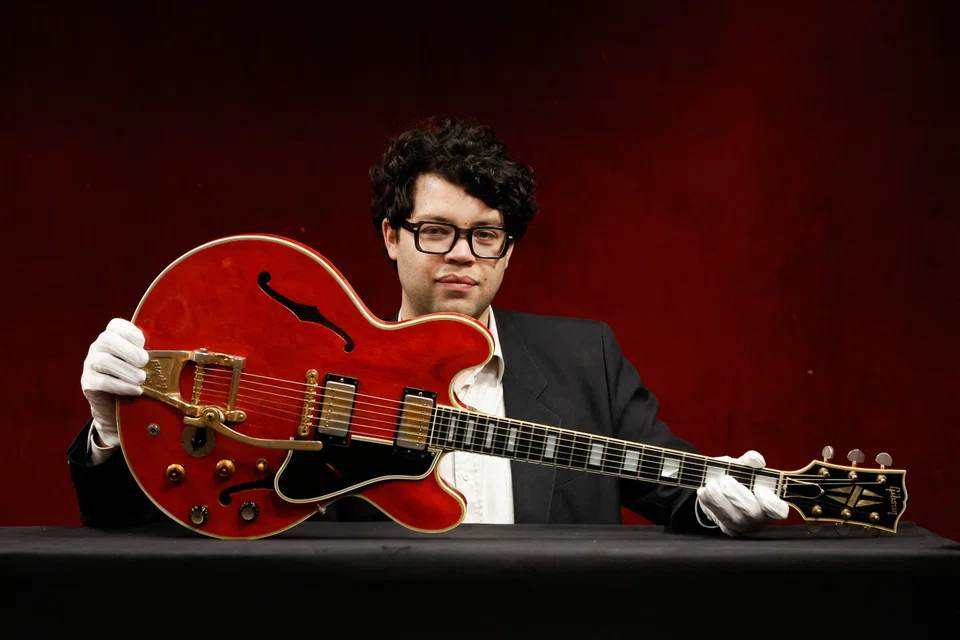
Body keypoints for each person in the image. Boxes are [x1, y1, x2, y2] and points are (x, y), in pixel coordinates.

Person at [68, 117, 789, 536]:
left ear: (508, 249)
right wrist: (112, 428)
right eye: (436, 230)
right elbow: (169, 515)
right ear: (391, 236)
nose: (462, 256)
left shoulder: (585, 358)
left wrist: (721, 500)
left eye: (486, 236)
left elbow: (676, 490)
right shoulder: (308, 367)